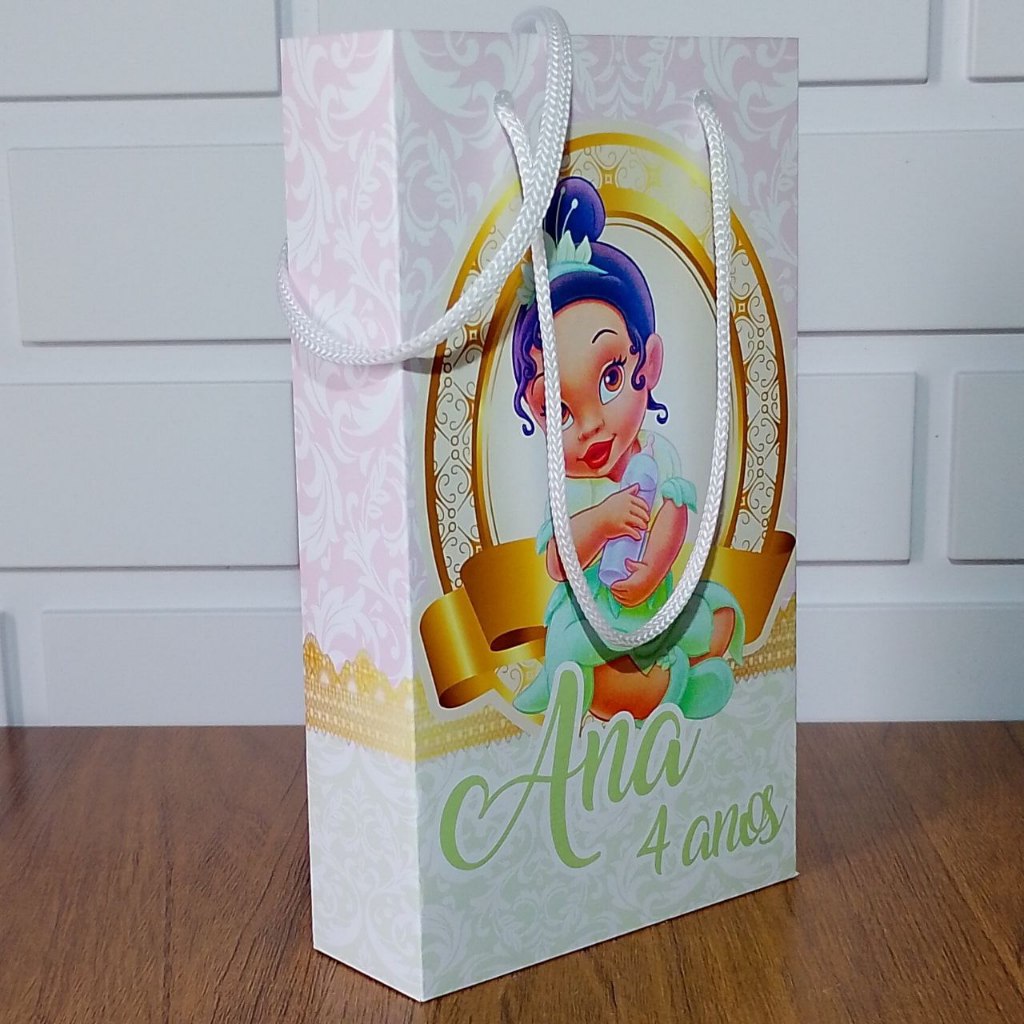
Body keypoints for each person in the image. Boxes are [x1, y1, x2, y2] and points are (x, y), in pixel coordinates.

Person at [509, 176, 743, 721]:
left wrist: (651, 571)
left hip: (653, 596)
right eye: (559, 411)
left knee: (715, 614)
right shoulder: (563, 482)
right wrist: (603, 521)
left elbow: (675, 515)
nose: (590, 425)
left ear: (649, 363)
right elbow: (557, 563)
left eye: (610, 377)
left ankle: (681, 681)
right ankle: (663, 687)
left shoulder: (658, 455)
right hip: (590, 612)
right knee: (576, 651)